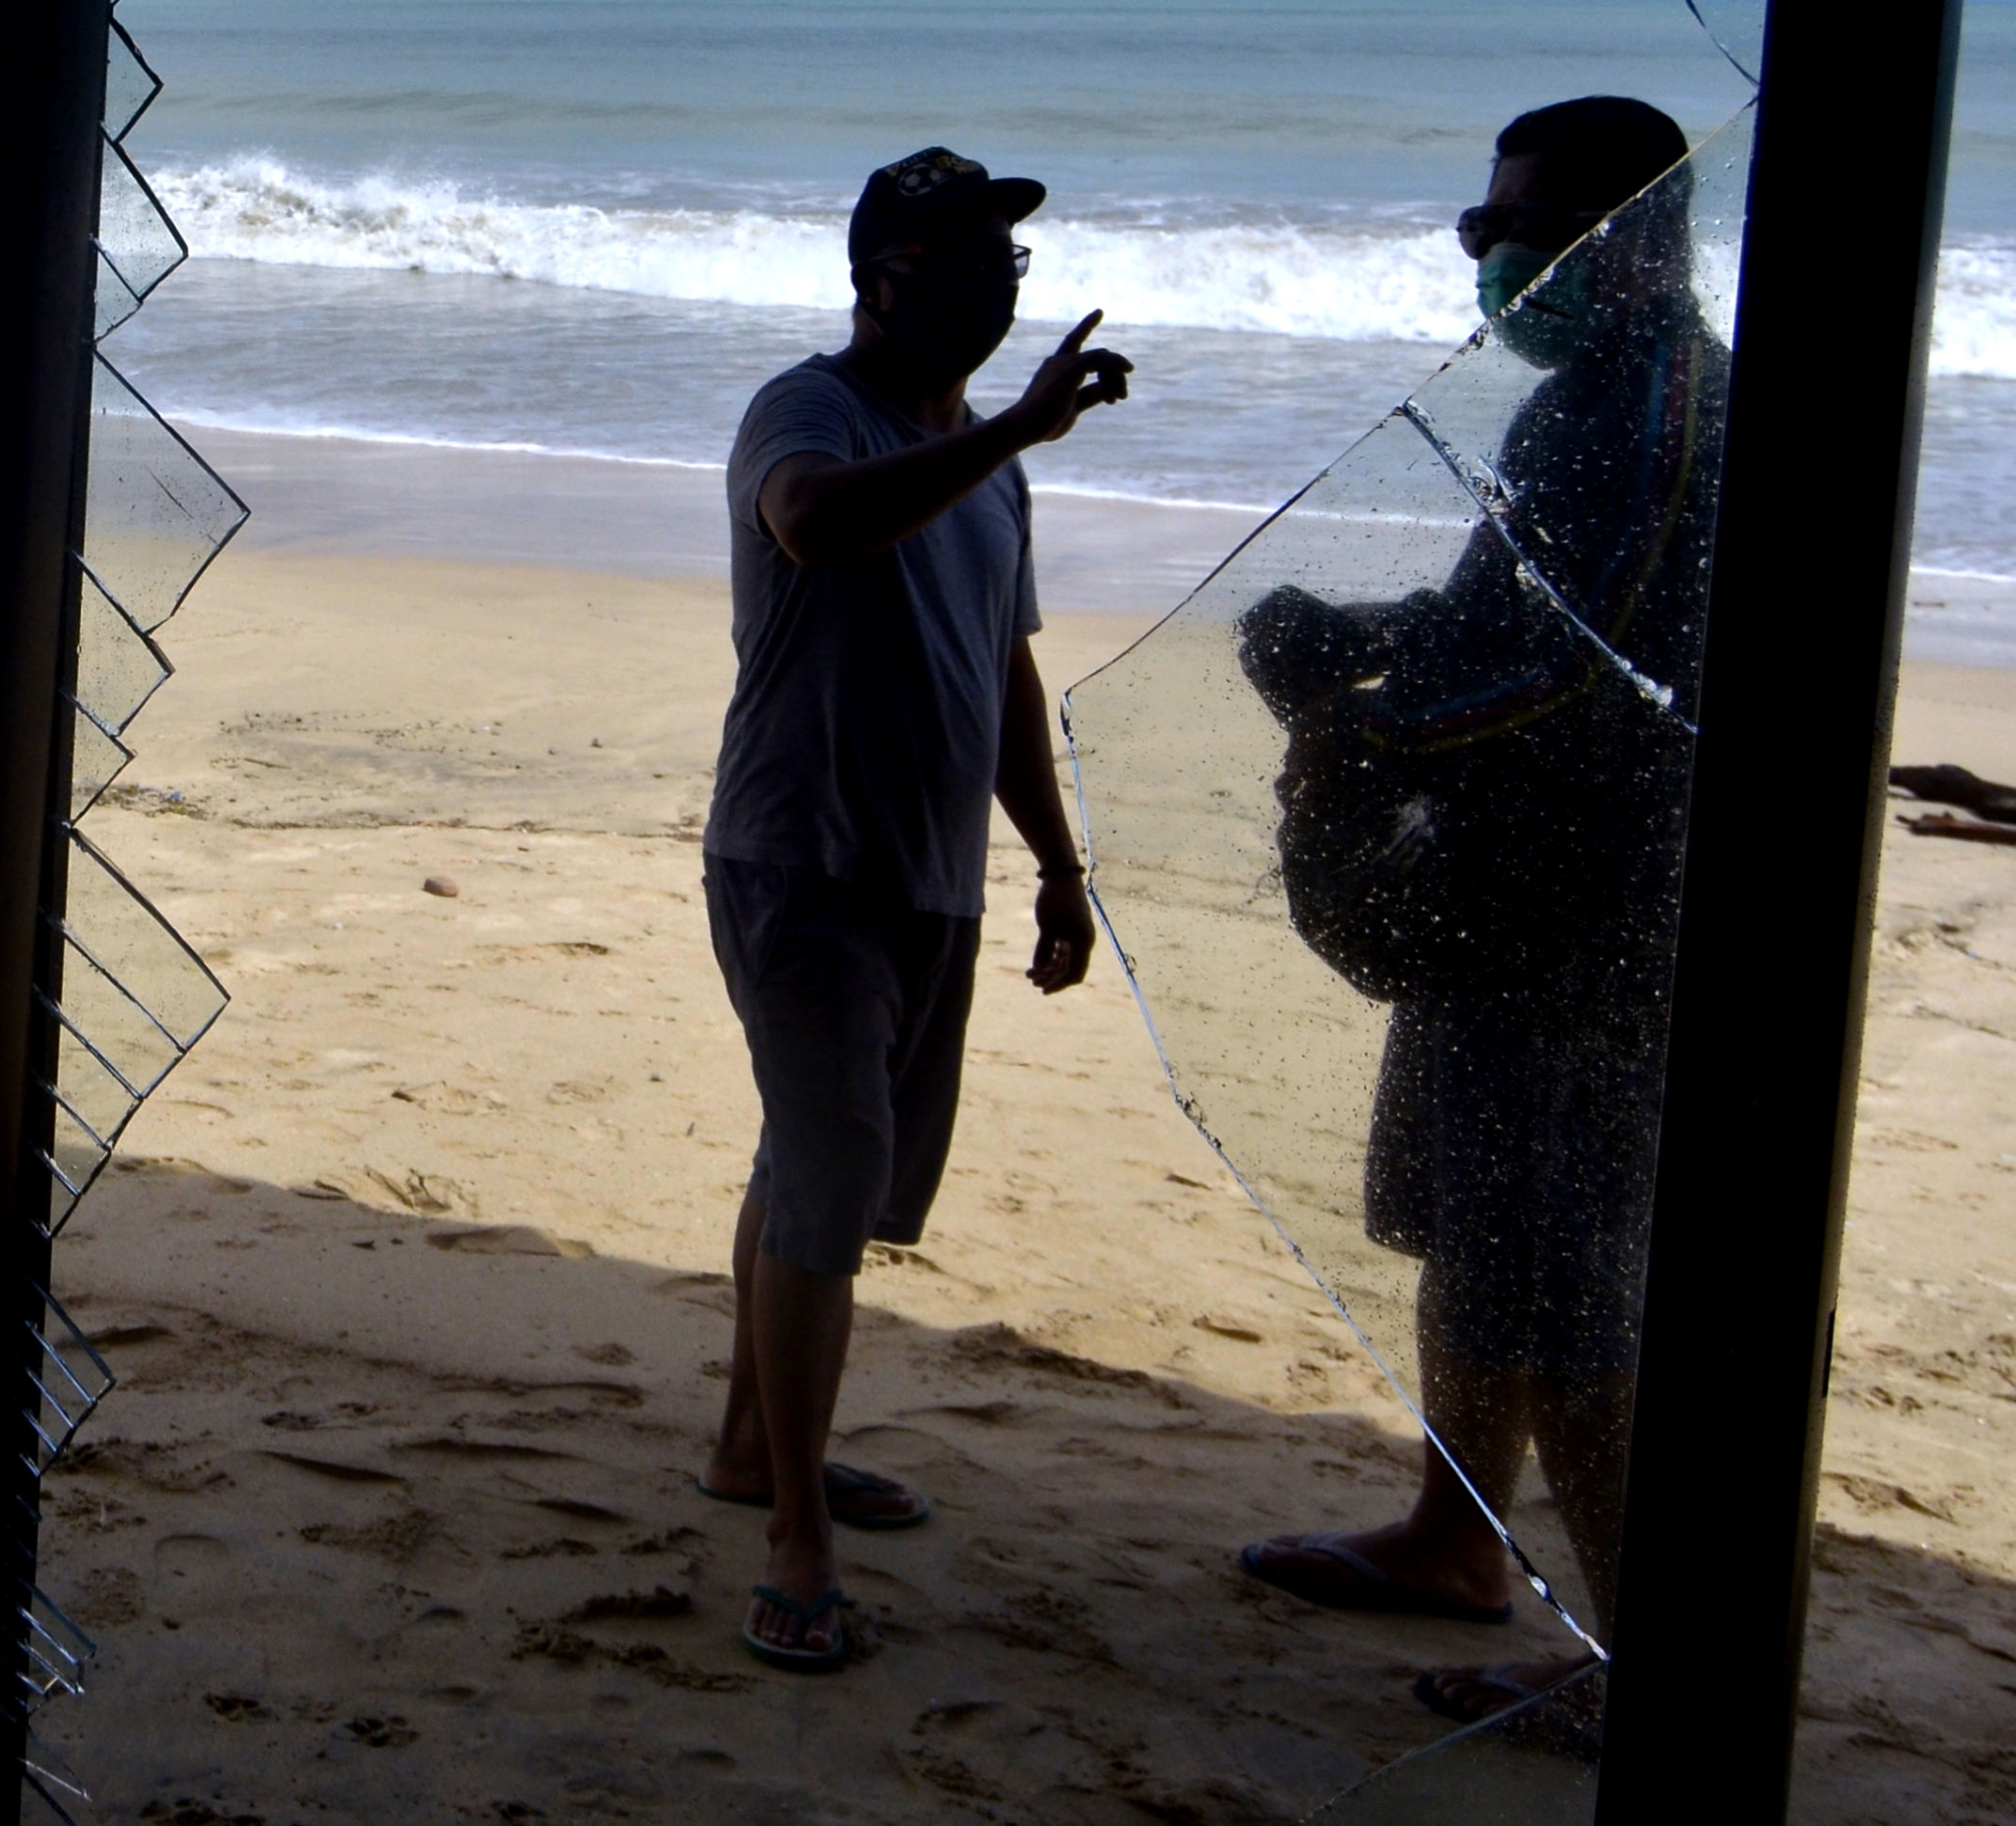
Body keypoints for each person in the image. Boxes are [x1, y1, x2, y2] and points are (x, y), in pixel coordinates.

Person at [1232, 96, 1725, 1738]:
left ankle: (1641, 1662)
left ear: (1631, 236)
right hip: (1501, 892)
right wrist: (1356, 631)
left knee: (1568, 1288)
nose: (1493, 255)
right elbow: (1491, 617)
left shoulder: (1656, 408)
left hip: (1589, 919)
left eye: (1516, 226)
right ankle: (1456, 1534)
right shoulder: (1581, 398)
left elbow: (1573, 669)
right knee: (1469, 1226)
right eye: (1479, 226)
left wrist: (1355, 727)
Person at [695, 146, 1133, 1675]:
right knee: (832, 1181)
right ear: (885, 280)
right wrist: (1014, 424)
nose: (1000, 287)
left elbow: (1003, 669)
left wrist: (1061, 867)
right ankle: (797, 1536)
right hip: (797, 861)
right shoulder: (805, 409)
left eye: (1009, 262)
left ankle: (758, 1446)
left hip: (930, 880)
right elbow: (814, 522)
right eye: (966, 260)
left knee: (809, 1162)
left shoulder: (994, 466)